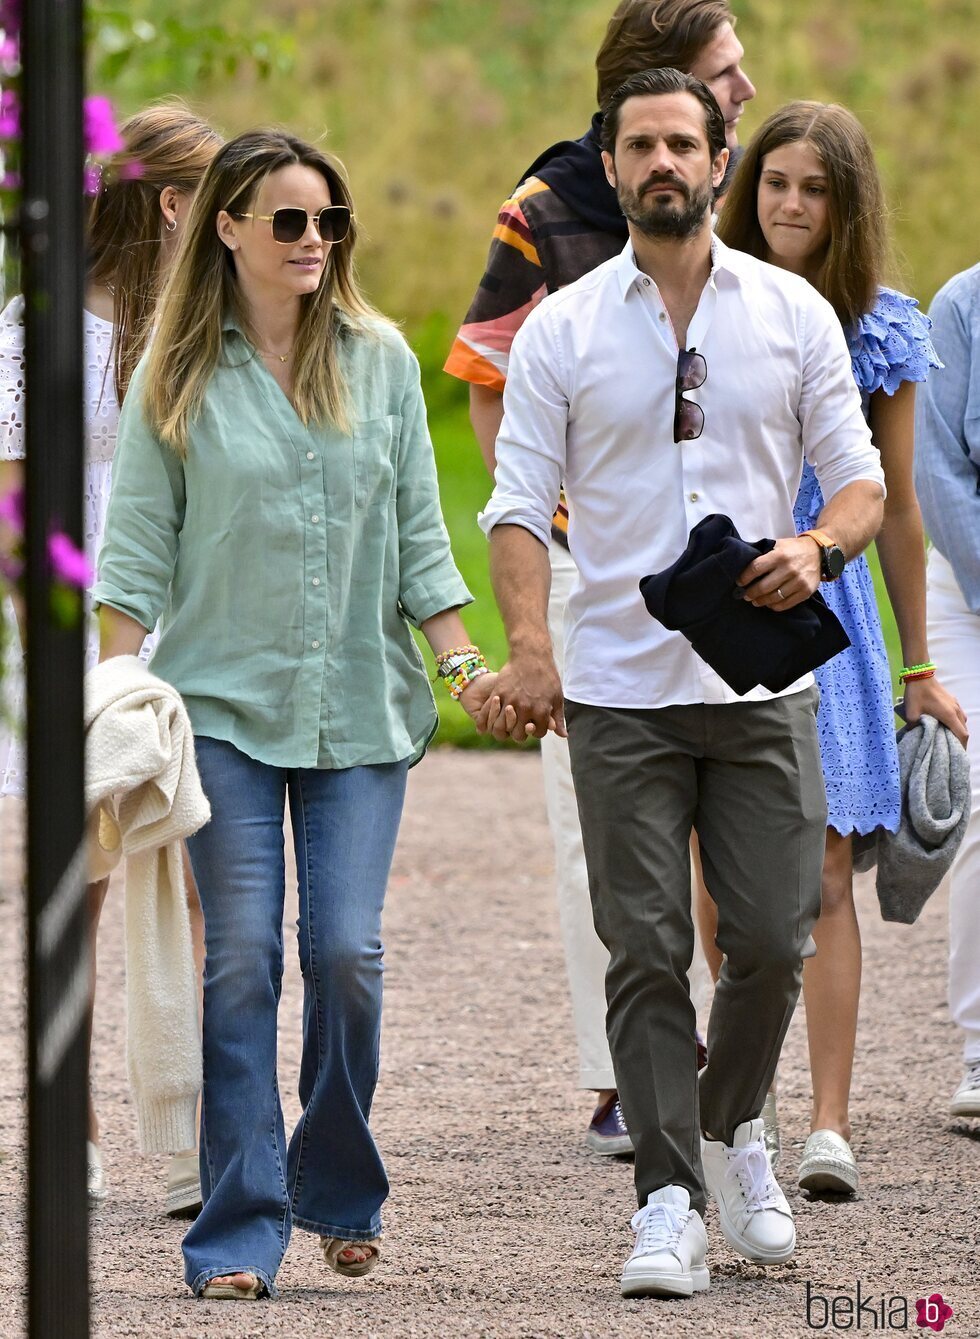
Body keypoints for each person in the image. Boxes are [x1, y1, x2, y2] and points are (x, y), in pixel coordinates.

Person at [478, 68, 887, 1300]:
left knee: (767, 936)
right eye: (639, 145)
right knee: (645, 947)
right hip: (615, 687)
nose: (662, 162)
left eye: (683, 143)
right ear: (608, 166)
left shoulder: (790, 315)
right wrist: (531, 648)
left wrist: (814, 549)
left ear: (719, 162)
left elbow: (858, 483)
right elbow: (511, 506)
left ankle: (732, 1128)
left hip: (760, 689)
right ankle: (667, 1198)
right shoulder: (558, 327)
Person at [93, 129, 493, 1301]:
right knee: (241, 968)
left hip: (362, 709)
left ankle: (339, 1185)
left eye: (329, 223)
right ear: (226, 227)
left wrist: (464, 665)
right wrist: (115, 705)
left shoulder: (375, 359)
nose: (313, 242)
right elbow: (132, 559)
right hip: (221, 706)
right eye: (288, 222)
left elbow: (423, 531)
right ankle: (234, 1230)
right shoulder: (175, 372)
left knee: (347, 955)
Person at [445, 0, 755, 1157]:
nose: (745, 87)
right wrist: (558, 527)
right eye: (728, 69)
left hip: (728, 555)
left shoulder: (737, 189)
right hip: (592, 560)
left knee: (737, 811)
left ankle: (738, 1059)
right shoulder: (547, 209)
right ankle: (626, 1069)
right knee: (603, 827)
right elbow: (485, 375)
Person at [715, 102, 967, 1194]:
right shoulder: (702, 307)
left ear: (845, 203)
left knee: (824, 875)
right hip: (724, 598)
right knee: (728, 891)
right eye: (774, 182)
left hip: (837, 613)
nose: (790, 205)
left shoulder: (882, 327)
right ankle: (744, 1107)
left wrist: (918, 666)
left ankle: (827, 1123)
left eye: (814, 188)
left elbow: (901, 507)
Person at [0, 100, 222, 1213]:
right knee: (79, 880)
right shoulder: (39, 324)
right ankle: (68, 1119)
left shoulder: (209, 326)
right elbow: (11, 496)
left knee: (188, 879)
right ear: (173, 204)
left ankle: (191, 1133)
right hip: (71, 632)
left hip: (196, 625)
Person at [913, 262, 980, 1121]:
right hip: (966, 594)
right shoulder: (960, 306)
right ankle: (979, 1050)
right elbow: (936, 474)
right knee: (978, 806)